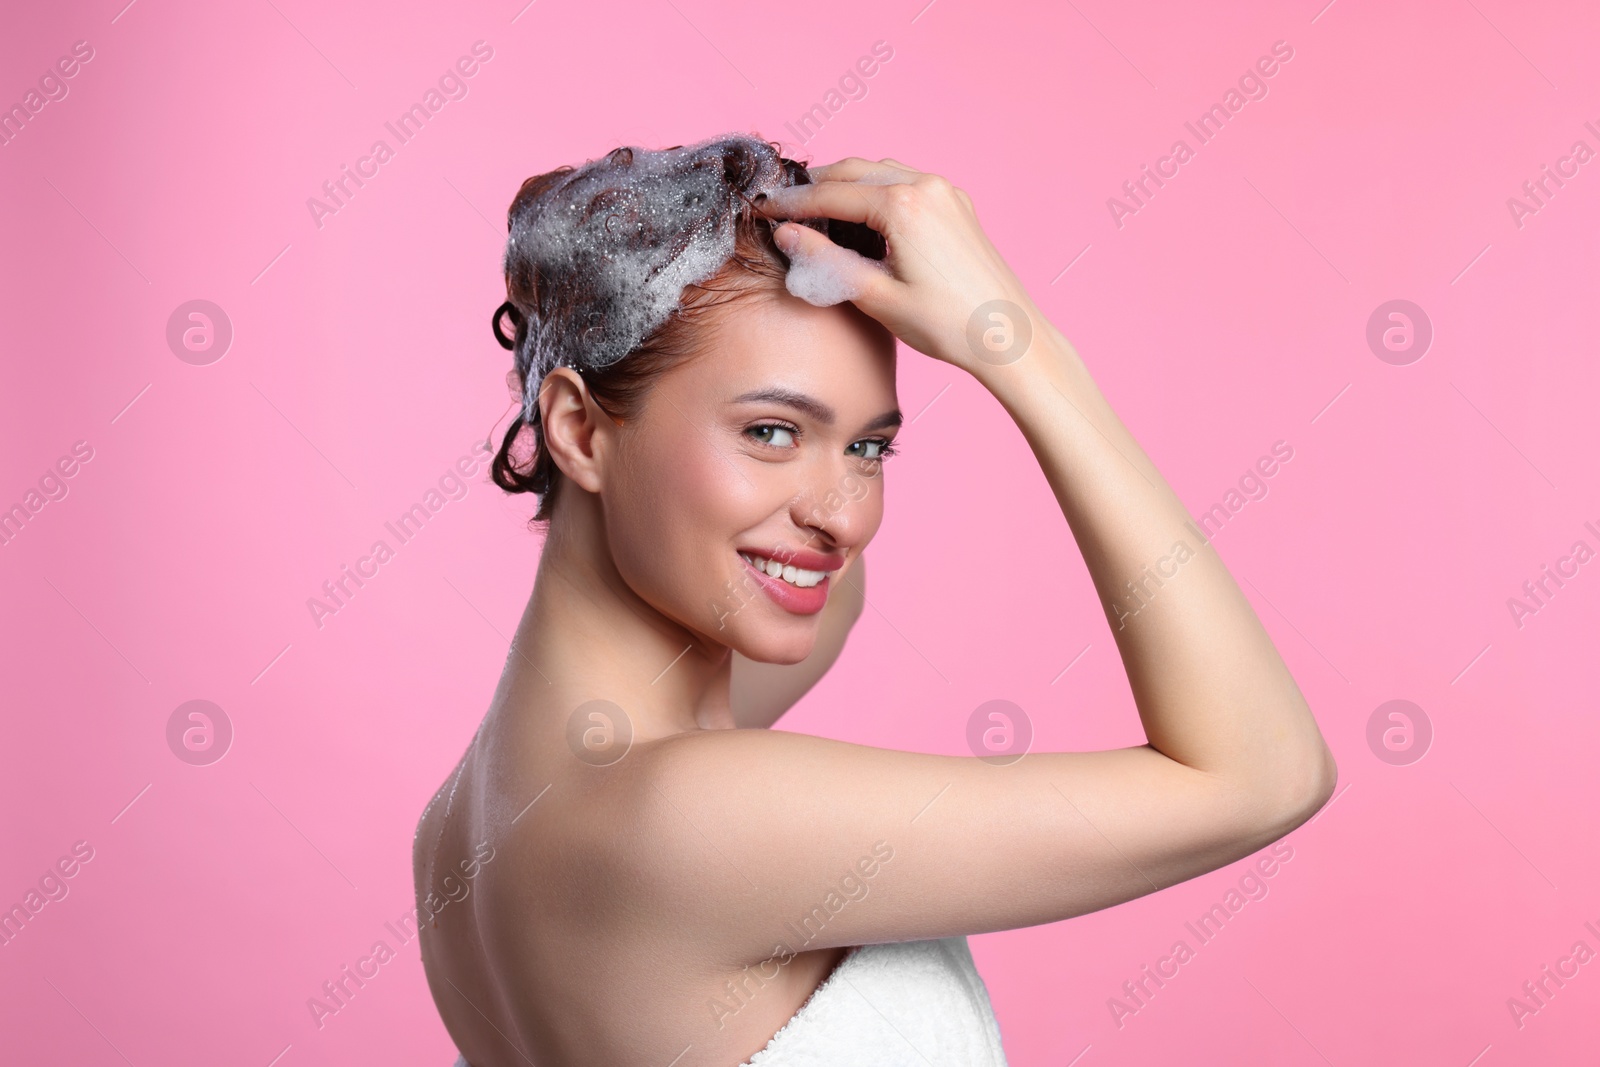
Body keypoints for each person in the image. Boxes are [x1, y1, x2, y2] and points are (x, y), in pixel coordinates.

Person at [412, 133, 1336, 1067]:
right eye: (771, 430)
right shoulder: (686, 817)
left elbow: (831, 594)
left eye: (869, 448)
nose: (843, 515)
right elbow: (1262, 775)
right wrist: (1022, 348)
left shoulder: (467, 824)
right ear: (578, 430)